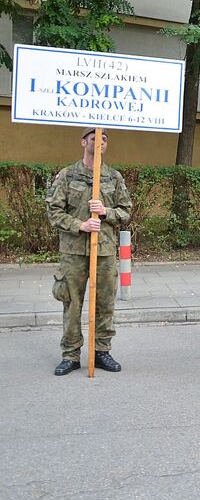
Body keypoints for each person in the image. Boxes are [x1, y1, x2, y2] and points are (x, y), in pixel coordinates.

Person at [46, 129, 132, 376]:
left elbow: (125, 211)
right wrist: (80, 225)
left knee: (105, 303)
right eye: (95, 138)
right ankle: (71, 355)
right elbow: (54, 212)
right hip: (73, 252)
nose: (101, 142)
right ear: (84, 142)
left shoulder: (113, 177)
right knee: (71, 303)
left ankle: (101, 351)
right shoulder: (67, 175)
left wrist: (106, 212)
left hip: (104, 251)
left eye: (104, 139)